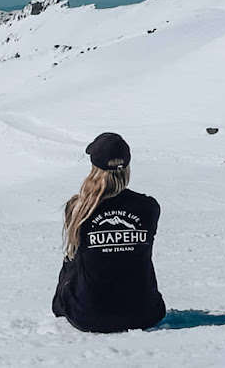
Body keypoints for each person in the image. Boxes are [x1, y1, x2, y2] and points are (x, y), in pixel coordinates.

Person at [52, 132, 166, 332]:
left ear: (94, 169)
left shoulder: (79, 208)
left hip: (87, 317)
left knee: (72, 260)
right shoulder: (148, 207)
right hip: (146, 313)